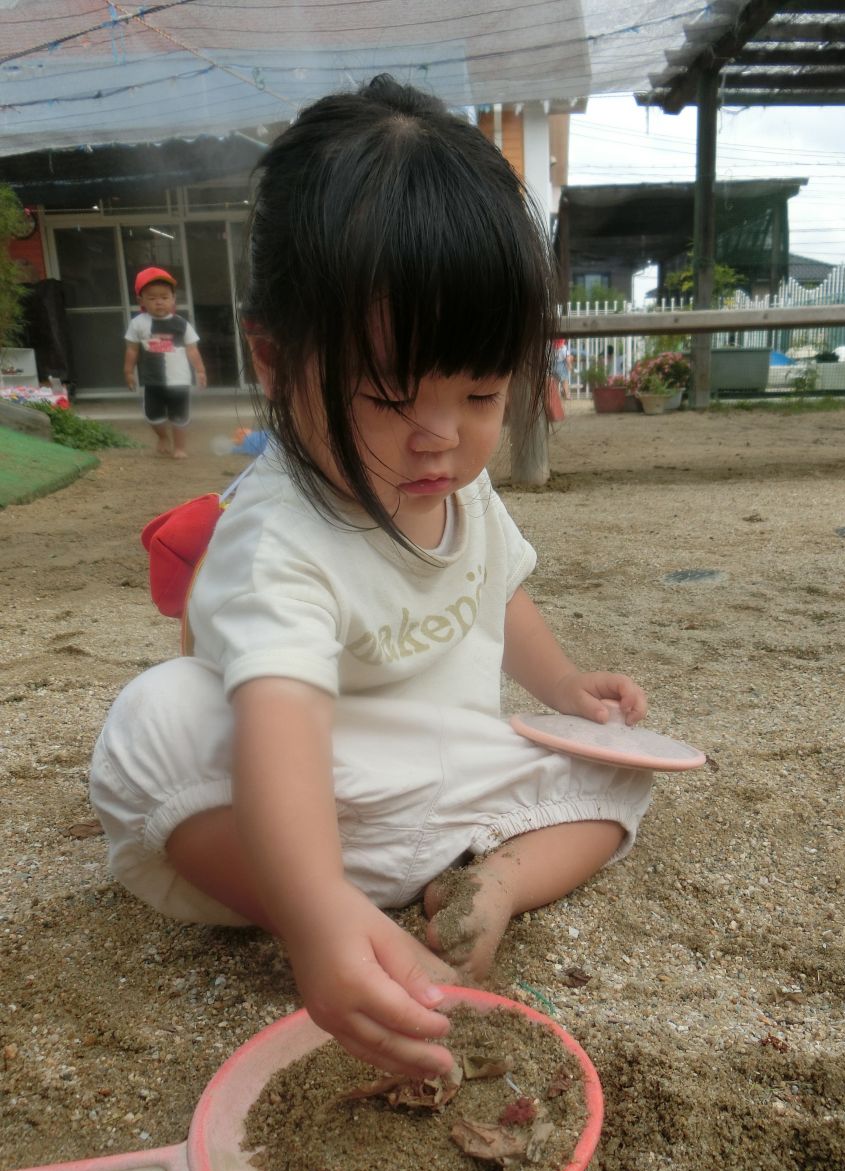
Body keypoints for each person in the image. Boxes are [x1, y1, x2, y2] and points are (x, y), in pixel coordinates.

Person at [90, 76, 653, 1080]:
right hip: (288, 801)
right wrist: (313, 917)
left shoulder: (452, 483)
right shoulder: (282, 534)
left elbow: (495, 590)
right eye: (391, 396)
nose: (440, 437)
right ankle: (343, 913)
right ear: (274, 358)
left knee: (625, 760)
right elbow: (280, 726)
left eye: (479, 393)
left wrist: (565, 689)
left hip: (423, 774)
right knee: (152, 728)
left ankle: (499, 883)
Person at [124, 267, 207, 459]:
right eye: (152, 298)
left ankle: (180, 447)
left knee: (179, 416)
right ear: (141, 301)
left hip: (179, 380)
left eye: (164, 297)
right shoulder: (138, 324)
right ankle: (162, 437)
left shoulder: (181, 324)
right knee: (153, 416)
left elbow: (192, 349)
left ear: (173, 299)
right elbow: (132, 349)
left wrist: (200, 371)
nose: (159, 302)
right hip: (152, 380)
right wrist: (128, 371)